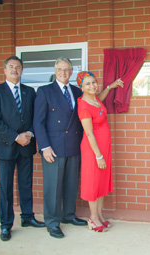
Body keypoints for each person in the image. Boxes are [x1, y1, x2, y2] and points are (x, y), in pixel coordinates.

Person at [33, 57, 87, 238]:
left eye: (66, 70)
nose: (63, 73)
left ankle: (69, 215)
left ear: (71, 72)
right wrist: (44, 147)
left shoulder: (76, 91)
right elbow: (38, 123)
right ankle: (52, 222)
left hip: (73, 144)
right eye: (60, 69)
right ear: (55, 71)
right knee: (53, 187)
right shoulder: (45, 91)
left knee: (71, 184)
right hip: (53, 147)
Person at [0, 56, 45, 241]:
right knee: (6, 187)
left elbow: (36, 117)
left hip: (27, 145)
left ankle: (27, 217)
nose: (15, 70)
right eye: (11, 67)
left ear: (22, 70)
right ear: (4, 70)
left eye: (18, 67)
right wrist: (16, 137)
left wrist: (29, 135)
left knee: (26, 184)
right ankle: (6, 224)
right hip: (6, 147)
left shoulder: (29, 92)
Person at [76, 71, 123, 232]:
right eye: (87, 84)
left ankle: (100, 215)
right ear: (81, 87)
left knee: (102, 181)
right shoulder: (83, 105)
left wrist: (110, 87)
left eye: (94, 82)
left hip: (103, 148)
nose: (92, 86)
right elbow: (89, 133)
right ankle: (92, 217)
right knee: (93, 183)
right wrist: (98, 156)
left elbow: (99, 99)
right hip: (93, 150)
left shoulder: (94, 99)